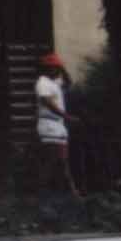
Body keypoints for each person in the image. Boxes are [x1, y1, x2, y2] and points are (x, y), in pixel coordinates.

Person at [34, 52, 79, 197]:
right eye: (54, 68)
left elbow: (68, 82)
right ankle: (45, 193)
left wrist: (62, 67)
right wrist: (66, 116)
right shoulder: (42, 83)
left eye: (57, 68)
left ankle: (69, 193)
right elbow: (48, 102)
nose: (57, 71)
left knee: (61, 161)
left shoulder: (54, 82)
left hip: (58, 127)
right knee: (53, 161)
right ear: (46, 68)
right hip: (49, 125)